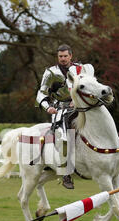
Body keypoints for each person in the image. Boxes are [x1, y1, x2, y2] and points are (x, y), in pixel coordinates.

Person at [35, 44, 80, 189]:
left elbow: (89, 86)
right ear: (57, 57)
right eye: (60, 56)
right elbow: (41, 93)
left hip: (80, 106)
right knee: (63, 136)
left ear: (71, 56)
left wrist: (77, 100)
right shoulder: (50, 72)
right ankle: (65, 173)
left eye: (65, 56)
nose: (63, 59)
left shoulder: (80, 69)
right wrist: (48, 107)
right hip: (60, 110)